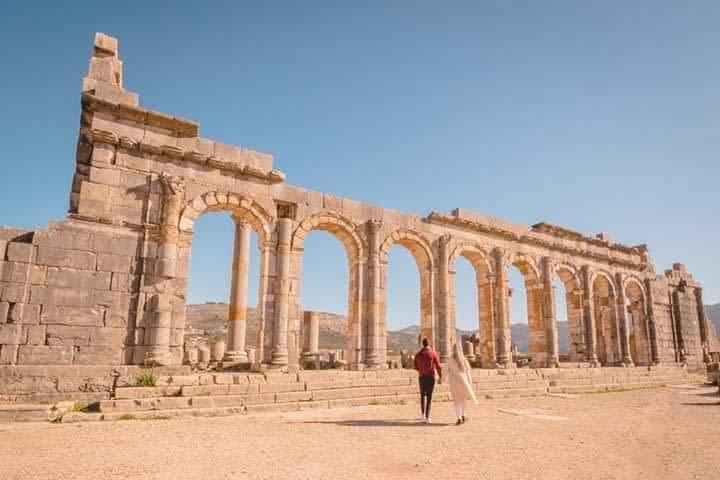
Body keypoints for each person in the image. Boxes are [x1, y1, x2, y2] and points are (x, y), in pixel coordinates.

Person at [448, 342, 478, 425]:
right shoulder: (464, 360)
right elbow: (468, 372)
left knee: (457, 401)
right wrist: (470, 383)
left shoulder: (450, 360)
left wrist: (441, 379)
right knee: (463, 400)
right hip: (464, 382)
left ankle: (459, 417)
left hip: (454, 382)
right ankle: (463, 415)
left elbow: (445, 370)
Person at [413, 338, 442, 424]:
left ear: (423, 344)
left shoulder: (418, 354)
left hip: (421, 377)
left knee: (422, 395)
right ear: (429, 344)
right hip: (430, 377)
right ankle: (427, 417)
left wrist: (420, 370)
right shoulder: (433, 353)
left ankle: (422, 415)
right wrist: (440, 376)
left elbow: (415, 366)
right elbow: (438, 366)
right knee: (429, 397)